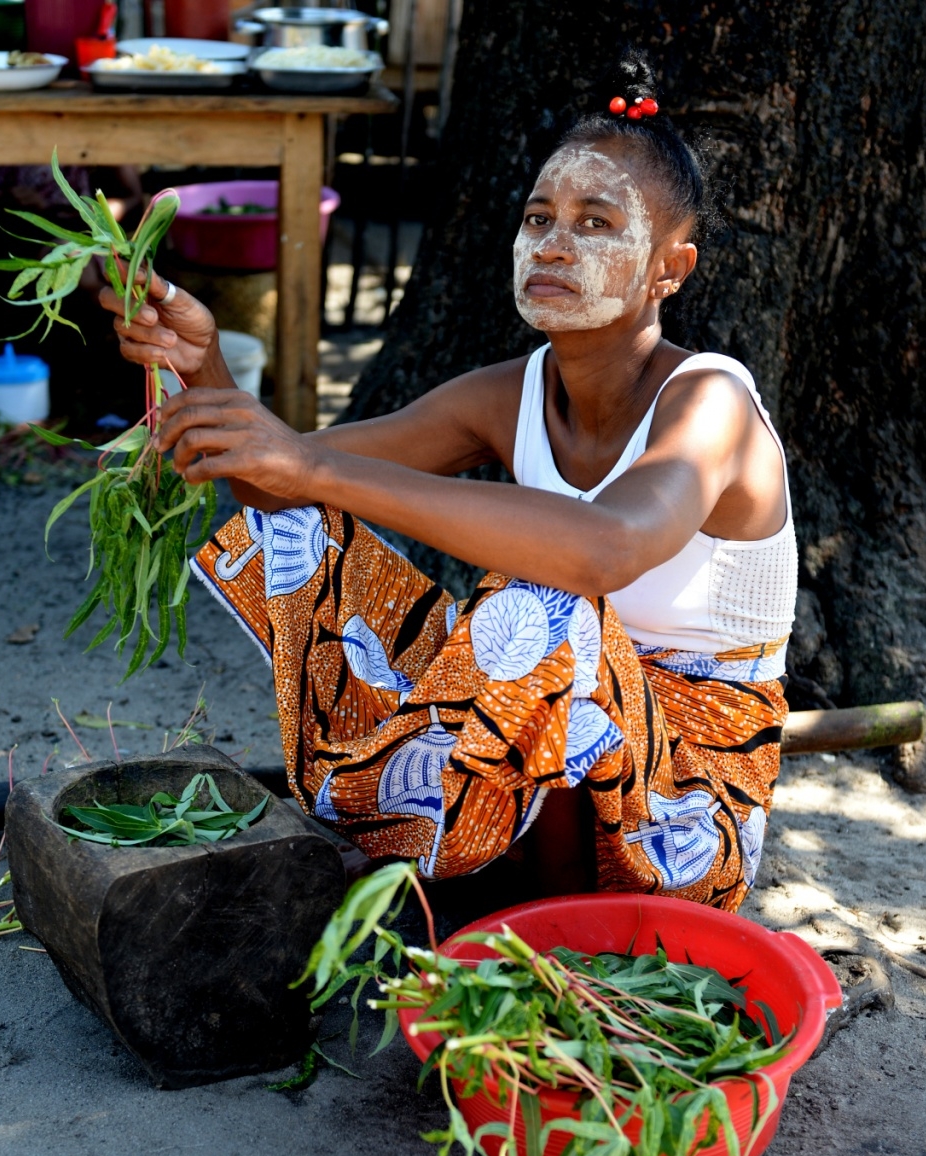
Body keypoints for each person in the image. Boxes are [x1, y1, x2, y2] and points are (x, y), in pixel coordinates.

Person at [98, 53, 797, 913]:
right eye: (539, 217)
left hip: (689, 807)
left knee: (543, 609)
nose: (554, 243)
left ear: (670, 269)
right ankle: (456, 856)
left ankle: (546, 924)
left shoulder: (712, 402)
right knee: (310, 539)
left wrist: (310, 462)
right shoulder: (509, 394)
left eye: (596, 223)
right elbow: (284, 486)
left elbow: (606, 548)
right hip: (547, 737)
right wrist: (202, 368)